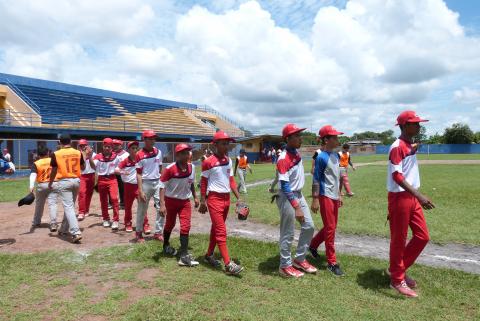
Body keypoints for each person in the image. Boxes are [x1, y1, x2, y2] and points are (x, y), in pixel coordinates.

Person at [387, 110, 434, 298]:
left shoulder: (407, 145)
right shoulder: (397, 146)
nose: (419, 126)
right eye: (415, 123)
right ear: (405, 126)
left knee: (423, 236)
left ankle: (397, 269)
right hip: (400, 197)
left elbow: (408, 154)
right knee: (399, 239)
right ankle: (397, 279)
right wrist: (420, 196)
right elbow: (396, 176)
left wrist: (414, 149)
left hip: (410, 197)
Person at [199, 130, 244, 275]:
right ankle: (228, 264)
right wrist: (202, 201)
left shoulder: (229, 160)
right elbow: (204, 182)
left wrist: (238, 197)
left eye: (227, 144)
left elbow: (231, 180)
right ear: (215, 145)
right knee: (221, 231)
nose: (226, 146)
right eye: (223, 144)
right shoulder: (208, 162)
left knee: (216, 229)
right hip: (214, 199)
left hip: (226, 200)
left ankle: (209, 255)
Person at [276, 124, 316, 278]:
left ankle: (299, 259)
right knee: (288, 232)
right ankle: (285, 265)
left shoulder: (296, 153)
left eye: (300, 135)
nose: (301, 138)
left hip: (298, 193)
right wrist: (296, 206)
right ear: (288, 139)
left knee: (309, 226)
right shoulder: (283, 158)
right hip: (287, 196)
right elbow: (285, 185)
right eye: (297, 136)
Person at [309, 125, 345, 276]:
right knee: (330, 228)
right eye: (334, 137)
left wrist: (340, 194)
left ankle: (313, 245)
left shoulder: (336, 156)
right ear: (326, 139)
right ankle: (332, 262)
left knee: (331, 227)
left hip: (334, 195)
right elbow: (316, 179)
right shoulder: (321, 157)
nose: (337, 139)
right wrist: (315, 199)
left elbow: (336, 178)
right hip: (324, 196)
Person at [159, 143, 200, 266]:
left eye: (187, 152)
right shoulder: (170, 169)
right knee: (170, 224)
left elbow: (191, 183)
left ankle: (184, 255)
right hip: (171, 201)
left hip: (185, 202)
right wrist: (162, 205)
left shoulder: (191, 168)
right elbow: (162, 187)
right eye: (183, 153)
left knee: (185, 226)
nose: (186, 155)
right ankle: (166, 245)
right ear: (177, 155)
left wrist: (195, 197)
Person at [48, 133, 85, 243]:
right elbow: (83, 167)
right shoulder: (78, 152)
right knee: (70, 206)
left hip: (64, 181)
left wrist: (50, 182)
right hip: (76, 181)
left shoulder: (56, 153)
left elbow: (54, 170)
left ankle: (75, 232)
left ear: (59, 142)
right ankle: (63, 229)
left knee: (69, 207)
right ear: (71, 141)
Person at [135, 130, 164, 243]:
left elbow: (160, 168)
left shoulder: (158, 152)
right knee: (142, 209)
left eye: (154, 138)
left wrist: (161, 182)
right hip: (146, 183)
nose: (153, 140)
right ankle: (138, 232)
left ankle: (158, 232)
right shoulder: (139, 154)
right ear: (145, 140)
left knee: (161, 208)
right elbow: (138, 173)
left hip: (157, 182)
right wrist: (140, 190)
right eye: (150, 138)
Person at [116, 141, 151, 233]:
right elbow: (116, 170)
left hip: (139, 186)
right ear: (129, 150)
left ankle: (145, 224)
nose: (135, 150)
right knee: (128, 207)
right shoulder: (125, 161)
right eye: (133, 148)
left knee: (143, 206)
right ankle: (128, 223)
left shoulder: (141, 159)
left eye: (136, 148)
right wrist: (123, 172)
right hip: (128, 187)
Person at [92, 138, 120, 230]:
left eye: (109, 146)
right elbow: (93, 166)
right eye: (105, 146)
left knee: (114, 199)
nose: (107, 148)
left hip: (112, 179)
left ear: (112, 147)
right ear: (102, 147)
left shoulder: (116, 157)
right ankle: (106, 219)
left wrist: (121, 172)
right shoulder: (98, 157)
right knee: (103, 201)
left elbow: (119, 168)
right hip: (101, 180)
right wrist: (89, 157)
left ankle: (115, 220)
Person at [30, 145, 59, 232]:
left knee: (39, 204)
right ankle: (53, 223)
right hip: (53, 184)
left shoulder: (36, 163)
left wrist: (31, 186)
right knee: (52, 204)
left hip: (41, 185)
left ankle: (36, 222)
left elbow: (33, 175)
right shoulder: (53, 160)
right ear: (48, 153)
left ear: (38, 155)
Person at [77, 139, 96, 220]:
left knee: (89, 194)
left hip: (91, 175)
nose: (82, 147)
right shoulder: (77, 154)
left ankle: (86, 209)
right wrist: (84, 155)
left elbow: (95, 166)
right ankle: (81, 212)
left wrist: (89, 155)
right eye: (81, 145)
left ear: (87, 145)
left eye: (84, 145)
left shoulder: (93, 154)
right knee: (81, 193)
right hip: (82, 176)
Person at [113, 139, 128, 209]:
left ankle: (123, 203)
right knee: (113, 189)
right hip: (113, 173)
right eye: (114, 145)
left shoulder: (125, 154)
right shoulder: (113, 153)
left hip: (122, 174)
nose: (115, 146)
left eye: (117, 145)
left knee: (122, 189)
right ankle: (112, 203)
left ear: (121, 146)